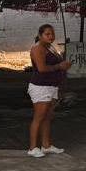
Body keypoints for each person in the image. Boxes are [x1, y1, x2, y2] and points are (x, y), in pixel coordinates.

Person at [26, 24, 70, 158]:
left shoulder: (49, 47)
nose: (51, 36)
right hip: (41, 86)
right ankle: (33, 147)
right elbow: (42, 68)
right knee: (39, 117)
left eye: (52, 34)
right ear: (40, 35)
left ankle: (46, 145)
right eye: (47, 34)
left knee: (47, 116)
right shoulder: (37, 48)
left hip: (51, 86)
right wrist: (59, 66)